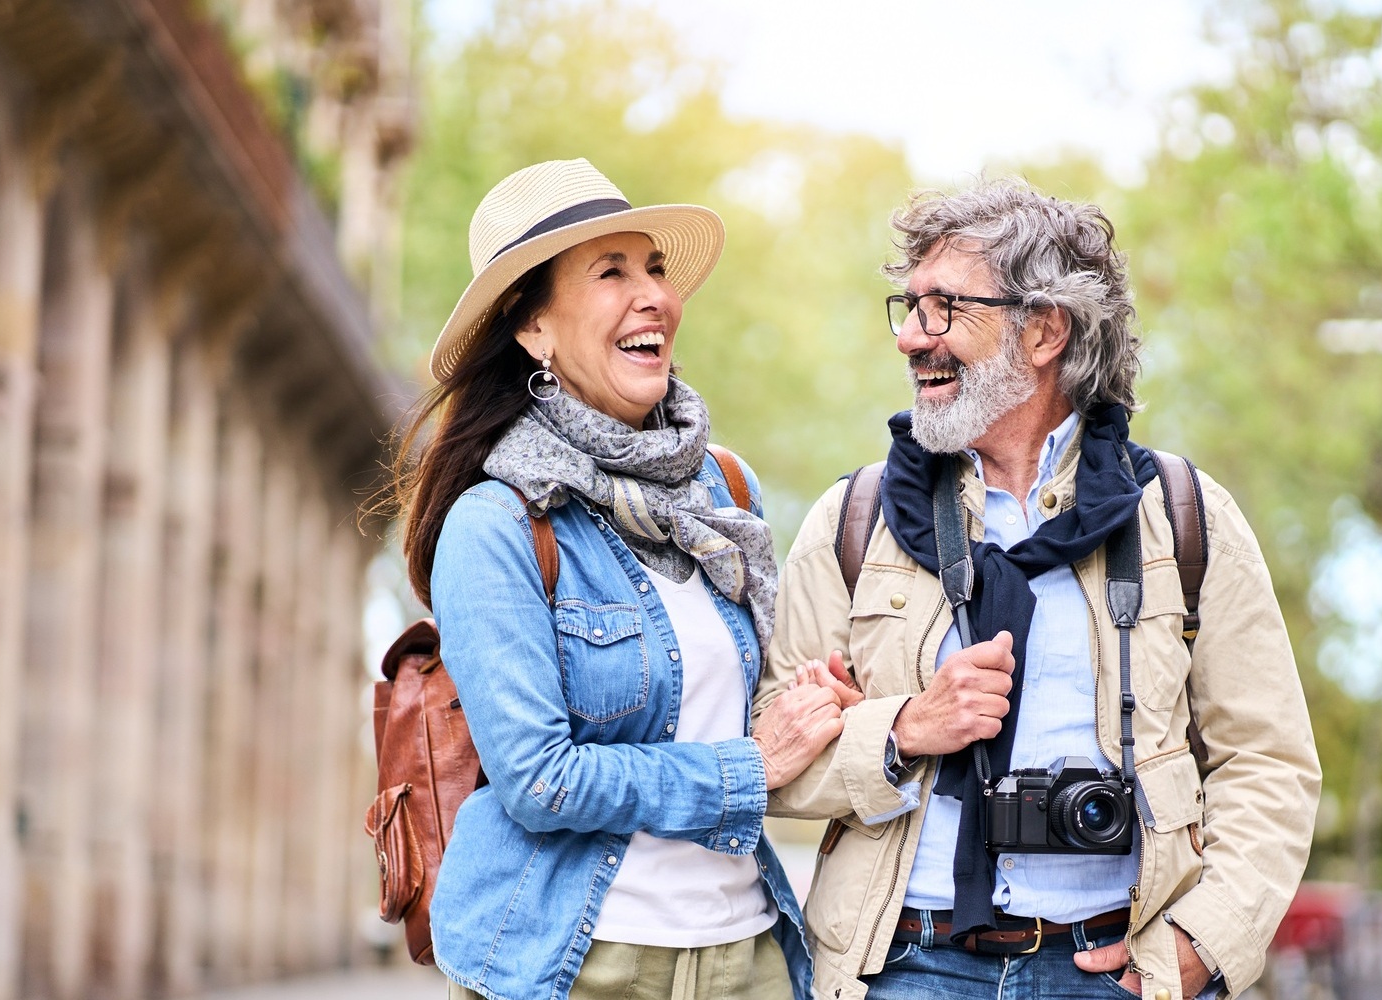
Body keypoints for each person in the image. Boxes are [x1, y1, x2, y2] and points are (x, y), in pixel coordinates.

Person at [761, 179, 1321, 1000]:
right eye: (908, 307)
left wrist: (1205, 944)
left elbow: (1268, 760)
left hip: (1115, 968)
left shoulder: (1181, 516)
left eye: (945, 307)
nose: (913, 339)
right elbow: (770, 759)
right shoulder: (856, 520)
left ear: (1046, 331)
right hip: (901, 968)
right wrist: (906, 729)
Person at [395, 159, 841, 1000]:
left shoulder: (726, 492)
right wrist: (749, 766)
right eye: (611, 272)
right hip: (577, 966)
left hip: (750, 960)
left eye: (656, 269)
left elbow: (744, 707)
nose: (655, 297)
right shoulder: (496, 525)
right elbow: (539, 780)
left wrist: (816, 703)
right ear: (533, 329)